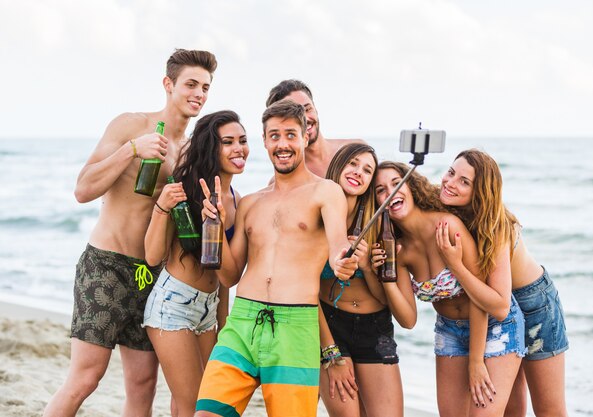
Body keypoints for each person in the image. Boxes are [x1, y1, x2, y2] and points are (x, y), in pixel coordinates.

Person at [44, 49, 217, 417]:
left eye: (205, 87)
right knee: (86, 378)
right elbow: (82, 190)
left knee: (142, 385)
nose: (198, 93)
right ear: (168, 85)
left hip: (152, 276)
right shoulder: (130, 125)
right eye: (190, 84)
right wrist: (131, 150)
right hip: (105, 264)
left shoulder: (190, 151)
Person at [194, 100, 359, 417]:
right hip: (242, 324)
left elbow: (339, 244)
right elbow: (229, 276)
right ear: (265, 140)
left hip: (295, 329)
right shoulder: (251, 203)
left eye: (290, 135)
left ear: (305, 136)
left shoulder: (325, 192)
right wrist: (212, 225)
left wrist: (344, 261)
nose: (282, 144)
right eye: (274, 136)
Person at [371, 161, 525, 417]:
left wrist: (476, 362)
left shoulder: (448, 225)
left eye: (396, 183)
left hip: (496, 326)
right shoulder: (399, 250)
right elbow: (408, 320)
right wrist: (385, 276)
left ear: (410, 186)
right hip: (449, 331)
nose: (390, 193)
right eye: (380, 190)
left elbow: (479, 296)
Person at [437, 149, 569, 417]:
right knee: (509, 408)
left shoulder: (495, 225)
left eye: (464, 181)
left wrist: (456, 265)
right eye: (451, 173)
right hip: (497, 313)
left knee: (549, 409)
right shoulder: (451, 210)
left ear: (480, 191)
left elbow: (498, 302)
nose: (451, 183)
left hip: (535, 306)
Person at [141, 110, 248, 417]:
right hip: (172, 306)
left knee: (200, 401)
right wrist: (162, 207)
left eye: (242, 140)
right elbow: (151, 257)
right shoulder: (186, 188)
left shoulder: (238, 199)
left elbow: (228, 275)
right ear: (211, 147)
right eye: (228, 142)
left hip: (209, 311)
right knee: (192, 404)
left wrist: (223, 320)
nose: (239, 148)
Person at [318, 143, 410, 417]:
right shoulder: (316, 216)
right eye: (353, 164)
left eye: (367, 170)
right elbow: (305, 291)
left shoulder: (378, 224)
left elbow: (390, 305)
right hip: (330, 326)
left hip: (375, 327)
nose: (359, 172)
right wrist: (330, 352)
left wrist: (368, 267)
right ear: (338, 165)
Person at [266, 79, 365, 177]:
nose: (305, 119)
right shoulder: (287, 180)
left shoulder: (356, 150)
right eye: (293, 115)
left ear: (315, 109)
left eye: (308, 109)